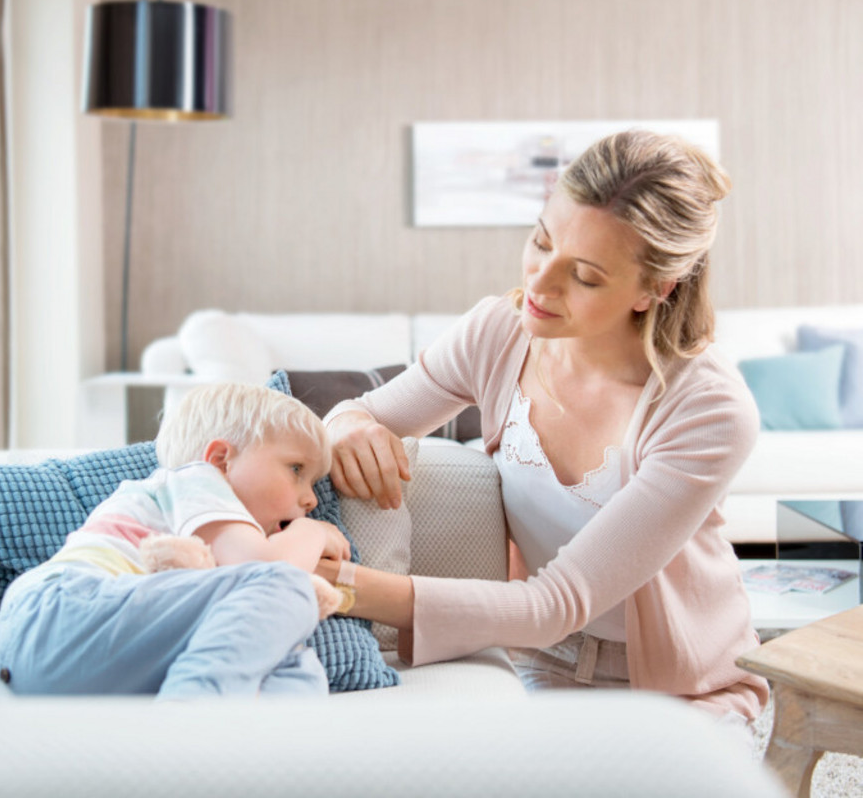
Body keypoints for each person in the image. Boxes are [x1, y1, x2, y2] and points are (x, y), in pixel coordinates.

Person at [320, 129, 769, 727]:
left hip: (679, 685)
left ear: (655, 288)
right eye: (540, 241)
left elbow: (558, 602)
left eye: (584, 276)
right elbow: (367, 412)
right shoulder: (498, 333)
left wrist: (334, 585)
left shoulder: (708, 411)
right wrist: (346, 423)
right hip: (537, 658)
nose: (539, 284)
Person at [0, 382, 351, 698]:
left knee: (298, 664)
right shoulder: (197, 480)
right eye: (296, 470)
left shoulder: (206, 548)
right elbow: (265, 567)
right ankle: (190, 725)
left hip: (63, 660)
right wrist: (311, 532)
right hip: (59, 611)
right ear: (222, 459)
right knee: (289, 588)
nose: (311, 500)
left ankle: (247, 744)